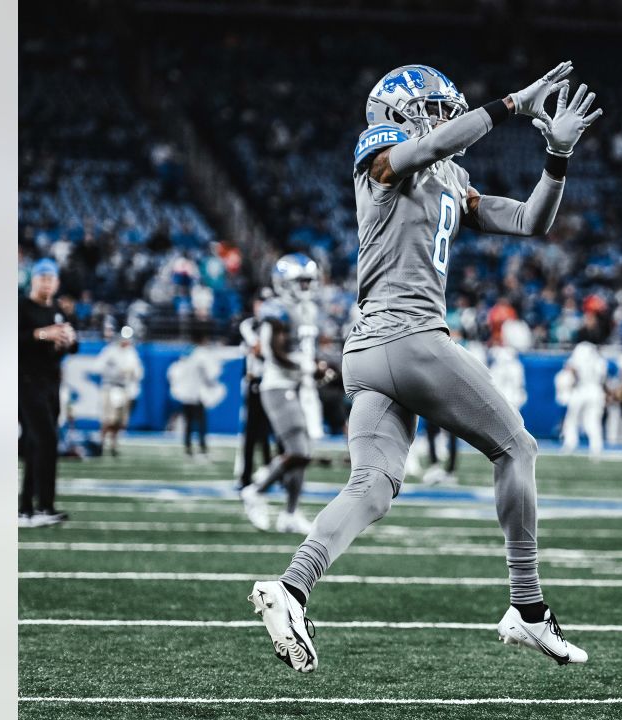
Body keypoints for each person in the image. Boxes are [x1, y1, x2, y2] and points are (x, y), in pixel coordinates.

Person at [248, 62, 599, 671]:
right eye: (432, 106)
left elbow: (528, 221)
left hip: (368, 352)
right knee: (516, 448)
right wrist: (513, 104)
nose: (440, 116)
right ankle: (528, 607)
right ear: (397, 111)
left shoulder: (452, 176)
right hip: (409, 336)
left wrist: (557, 156)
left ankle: (292, 586)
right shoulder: (380, 151)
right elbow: (433, 143)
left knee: (373, 486)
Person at [240, 254, 323, 535]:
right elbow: (275, 353)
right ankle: (255, 490)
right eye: (300, 281)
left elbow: (305, 349)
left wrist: (318, 367)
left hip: (301, 386)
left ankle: (290, 513)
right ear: (284, 282)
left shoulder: (308, 308)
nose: (305, 287)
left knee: (303, 452)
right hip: (278, 386)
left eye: (308, 281)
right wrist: (309, 366)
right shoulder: (276, 309)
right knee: (299, 451)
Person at [19, 258, 78, 527]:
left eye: (50, 278)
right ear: (34, 279)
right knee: (47, 440)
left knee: (36, 443)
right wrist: (43, 334)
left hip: (51, 383)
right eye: (42, 277)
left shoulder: (57, 310)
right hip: (25, 381)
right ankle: (43, 505)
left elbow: (70, 348)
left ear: (57, 282)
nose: (46, 282)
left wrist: (67, 339)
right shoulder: (21, 306)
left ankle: (26, 508)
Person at [236, 288, 277, 490]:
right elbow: (259, 348)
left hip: (274, 382)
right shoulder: (250, 325)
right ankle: (246, 477)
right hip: (256, 382)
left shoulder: (275, 325)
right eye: (260, 302)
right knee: (252, 432)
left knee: (274, 432)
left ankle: (275, 474)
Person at [167, 331, 223, 461]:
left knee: (189, 422)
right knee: (201, 423)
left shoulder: (187, 352)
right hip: (197, 393)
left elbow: (175, 372)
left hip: (186, 393)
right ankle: (202, 448)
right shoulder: (201, 355)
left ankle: (188, 448)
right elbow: (211, 374)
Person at [96, 323, 143, 457]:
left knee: (120, 421)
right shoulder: (110, 351)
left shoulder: (132, 352)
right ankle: (101, 442)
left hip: (124, 388)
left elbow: (139, 372)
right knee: (108, 419)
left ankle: (114, 444)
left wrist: (132, 373)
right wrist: (114, 371)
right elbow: (98, 367)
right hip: (110, 386)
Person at [561, 341, 607, 458]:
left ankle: (570, 444)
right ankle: (596, 447)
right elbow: (602, 378)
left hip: (581, 389)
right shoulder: (600, 361)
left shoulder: (579, 355)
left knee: (572, 419)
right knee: (592, 421)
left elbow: (571, 370)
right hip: (596, 391)